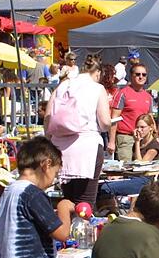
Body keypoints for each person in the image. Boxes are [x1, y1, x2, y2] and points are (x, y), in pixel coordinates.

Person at [46, 56, 111, 208]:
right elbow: (105, 122)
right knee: (84, 203)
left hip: (60, 147)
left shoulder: (63, 86)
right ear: (98, 73)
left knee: (68, 199)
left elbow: (48, 119)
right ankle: (82, 230)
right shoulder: (97, 88)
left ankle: (67, 229)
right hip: (86, 147)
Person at [108, 63, 152, 161]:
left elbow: (150, 119)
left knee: (141, 169)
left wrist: (155, 137)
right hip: (126, 138)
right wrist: (111, 141)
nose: (141, 77)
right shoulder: (123, 93)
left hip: (142, 139)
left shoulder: (148, 97)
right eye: (137, 74)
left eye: (144, 74)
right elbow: (114, 118)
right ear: (131, 76)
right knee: (126, 169)